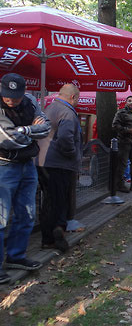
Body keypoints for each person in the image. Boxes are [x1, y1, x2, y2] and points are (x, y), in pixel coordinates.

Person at [0, 73, 51, 283]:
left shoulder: (30, 101)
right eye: (7, 95)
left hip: (27, 165)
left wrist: (23, 130)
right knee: (0, 217)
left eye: (16, 96)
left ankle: (16, 256)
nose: (11, 100)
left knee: (27, 214)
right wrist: (32, 131)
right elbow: (8, 139)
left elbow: (46, 127)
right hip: (4, 165)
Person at [37, 84, 82, 253]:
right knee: (58, 200)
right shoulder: (67, 112)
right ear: (73, 97)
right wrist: (72, 154)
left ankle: (50, 234)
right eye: (77, 98)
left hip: (43, 161)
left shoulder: (49, 109)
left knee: (49, 200)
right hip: (59, 163)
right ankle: (53, 234)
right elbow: (65, 138)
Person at [112, 95, 132, 192]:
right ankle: (120, 185)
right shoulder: (121, 112)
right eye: (129, 101)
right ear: (126, 102)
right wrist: (128, 130)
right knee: (122, 164)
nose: (131, 102)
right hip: (124, 142)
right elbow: (115, 125)